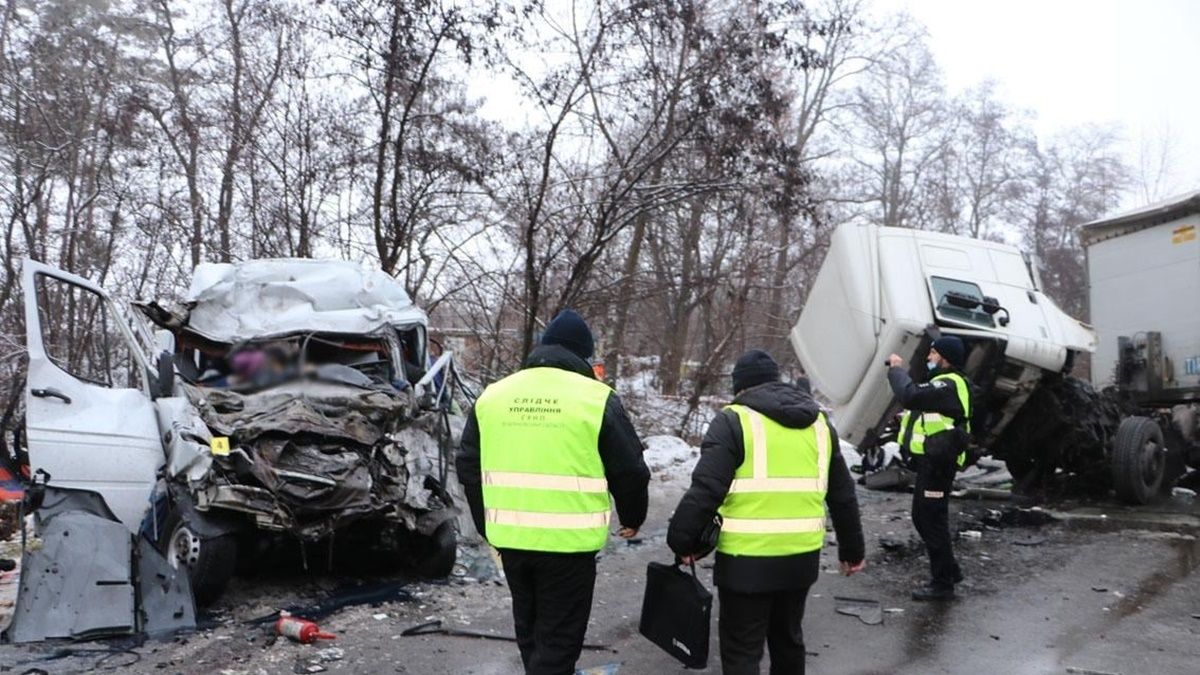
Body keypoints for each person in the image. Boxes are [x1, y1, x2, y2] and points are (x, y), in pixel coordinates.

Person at [457, 310, 650, 675]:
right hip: (567, 548)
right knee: (558, 645)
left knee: (530, 635)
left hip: (511, 542)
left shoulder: (494, 396)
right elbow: (631, 471)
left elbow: (468, 466)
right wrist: (633, 517)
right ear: (584, 355)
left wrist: (487, 526)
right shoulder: (596, 399)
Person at [668, 349, 865, 675]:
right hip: (800, 559)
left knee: (742, 652)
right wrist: (852, 550)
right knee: (789, 642)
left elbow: (706, 490)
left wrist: (683, 541)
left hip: (746, 563)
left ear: (740, 387)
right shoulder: (819, 425)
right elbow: (842, 494)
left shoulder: (734, 420)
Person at [886, 335, 973, 602]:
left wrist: (896, 370)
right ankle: (949, 569)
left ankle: (943, 584)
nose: (929, 358)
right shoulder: (943, 385)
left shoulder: (949, 383)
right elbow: (927, 411)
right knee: (921, 517)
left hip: (940, 464)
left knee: (932, 520)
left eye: (933, 354)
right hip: (933, 462)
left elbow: (910, 395)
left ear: (945, 358)